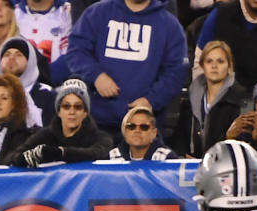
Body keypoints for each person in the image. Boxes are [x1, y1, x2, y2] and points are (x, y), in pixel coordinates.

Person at [65, 0, 188, 141]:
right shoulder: (97, 13)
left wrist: (151, 100)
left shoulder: (169, 24)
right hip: (95, 125)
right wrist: (97, 76)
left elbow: (176, 71)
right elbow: (76, 51)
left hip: (143, 128)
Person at [7, 77, 113, 167]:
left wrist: (60, 153)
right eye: (66, 106)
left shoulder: (100, 137)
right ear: (59, 111)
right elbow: (11, 158)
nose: (72, 112)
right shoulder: (45, 136)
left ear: (85, 113)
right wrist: (24, 159)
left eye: (78, 107)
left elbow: (97, 153)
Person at [182, 40, 249, 157]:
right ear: (202, 65)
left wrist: (226, 138)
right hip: (192, 168)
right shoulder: (190, 99)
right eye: (209, 61)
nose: (214, 66)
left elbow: (242, 146)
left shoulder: (240, 101)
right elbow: (180, 137)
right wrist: (183, 156)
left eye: (220, 61)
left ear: (229, 66)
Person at [0, 37, 54, 127]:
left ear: (30, 61)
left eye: (19, 54)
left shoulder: (47, 95)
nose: (11, 58)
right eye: (6, 54)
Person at [109, 104, 178, 160]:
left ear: (154, 133)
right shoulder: (113, 157)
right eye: (131, 126)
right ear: (125, 131)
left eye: (144, 127)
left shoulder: (166, 158)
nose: (137, 130)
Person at [15, 0, 74, 64]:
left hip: (57, 73)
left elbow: (71, 56)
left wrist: (46, 73)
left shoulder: (69, 12)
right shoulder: (11, 13)